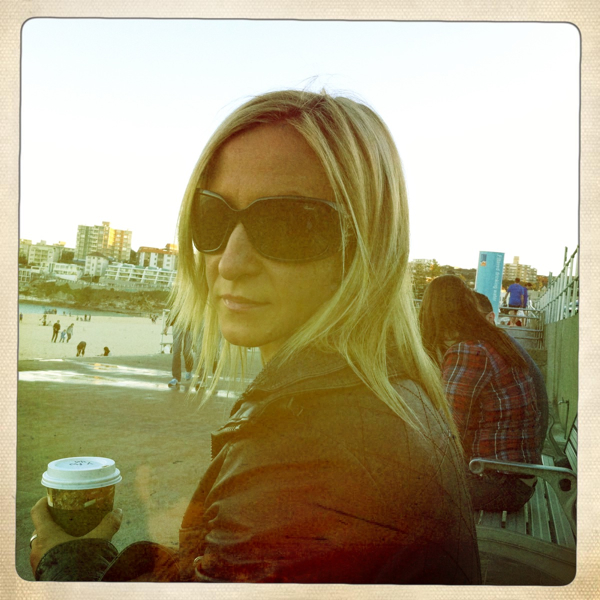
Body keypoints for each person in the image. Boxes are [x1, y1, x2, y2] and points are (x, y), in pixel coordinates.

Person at [30, 89, 481, 584]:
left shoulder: (311, 457)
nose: (229, 263)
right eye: (212, 216)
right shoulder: (390, 391)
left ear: (365, 247)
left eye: (288, 224)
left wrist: (67, 563)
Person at [419, 275, 542, 513]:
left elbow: (450, 431)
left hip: (497, 482)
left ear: (431, 314)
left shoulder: (469, 352)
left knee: (398, 487)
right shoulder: (494, 339)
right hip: (515, 478)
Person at [474, 291, 548, 444]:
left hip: (509, 451)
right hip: (530, 442)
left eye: (473, 320)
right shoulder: (505, 343)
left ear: (491, 318)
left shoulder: (485, 351)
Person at [166, 314, 194, 389]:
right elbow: (173, 310)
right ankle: (176, 377)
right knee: (176, 351)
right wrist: (167, 325)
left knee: (187, 351)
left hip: (190, 325)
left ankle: (189, 369)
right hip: (177, 324)